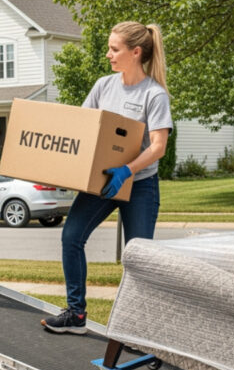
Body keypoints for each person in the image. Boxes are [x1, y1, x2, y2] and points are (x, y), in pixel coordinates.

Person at [41, 22, 173, 335]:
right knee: (71, 237)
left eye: (115, 49)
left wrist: (128, 169)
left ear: (135, 52)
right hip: (103, 181)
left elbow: (158, 147)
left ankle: (142, 329)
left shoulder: (154, 94)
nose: (108, 54)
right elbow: (84, 129)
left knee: (137, 259)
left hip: (139, 184)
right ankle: (76, 314)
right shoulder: (104, 86)